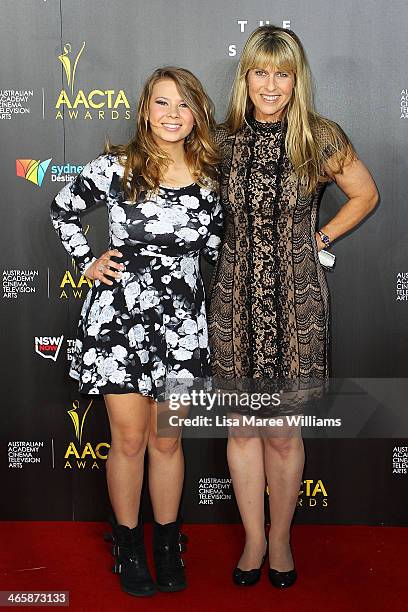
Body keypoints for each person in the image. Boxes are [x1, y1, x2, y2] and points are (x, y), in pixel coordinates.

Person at [208, 25, 378, 588]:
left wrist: (321, 238)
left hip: (296, 302)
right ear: (246, 76)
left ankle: (280, 538)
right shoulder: (220, 140)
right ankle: (253, 539)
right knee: (240, 431)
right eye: (261, 71)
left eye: (283, 73)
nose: (271, 84)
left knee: (282, 433)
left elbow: (365, 193)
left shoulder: (319, 137)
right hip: (232, 303)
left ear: (297, 78)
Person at [50, 66, 222, 597]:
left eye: (183, 105)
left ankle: (168, 545)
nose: (173, 115)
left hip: (183, 326)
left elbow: (219, 249)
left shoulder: (213, 175)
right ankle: (127, 545)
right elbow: (63, 208)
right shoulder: (117, 166)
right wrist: (87, 260)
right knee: (127, 440)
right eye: (162, 103)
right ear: (146, 107)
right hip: (119, 321)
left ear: (198, 114)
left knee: (166, 441)